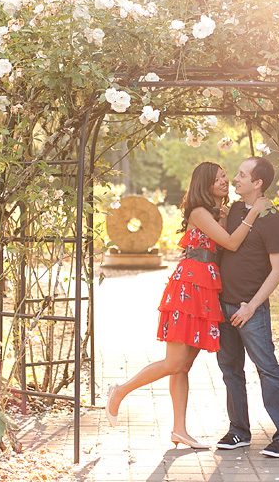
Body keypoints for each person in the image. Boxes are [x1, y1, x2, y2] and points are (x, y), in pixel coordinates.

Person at [105, 162, 268, 450]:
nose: (225, 181)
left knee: (184, 365)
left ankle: (179, 430)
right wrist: (253, 213)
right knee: (174, 362)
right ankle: (121, 391)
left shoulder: (221, 212)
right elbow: (230, 243)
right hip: (190, 287)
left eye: (225, 177)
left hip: (206, 288)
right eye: (219, 178)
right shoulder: (200, 213)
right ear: (205, 184)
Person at [214, 156, 279, 457]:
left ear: (257, 182)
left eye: (241, 175)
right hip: (223, 306)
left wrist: (250, 307)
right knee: (230, 370)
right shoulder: (236, 209)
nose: (236, 179)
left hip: (251, 310)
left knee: (268, 369)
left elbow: (278, 270)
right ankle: (239, 431)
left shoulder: (272, 218)